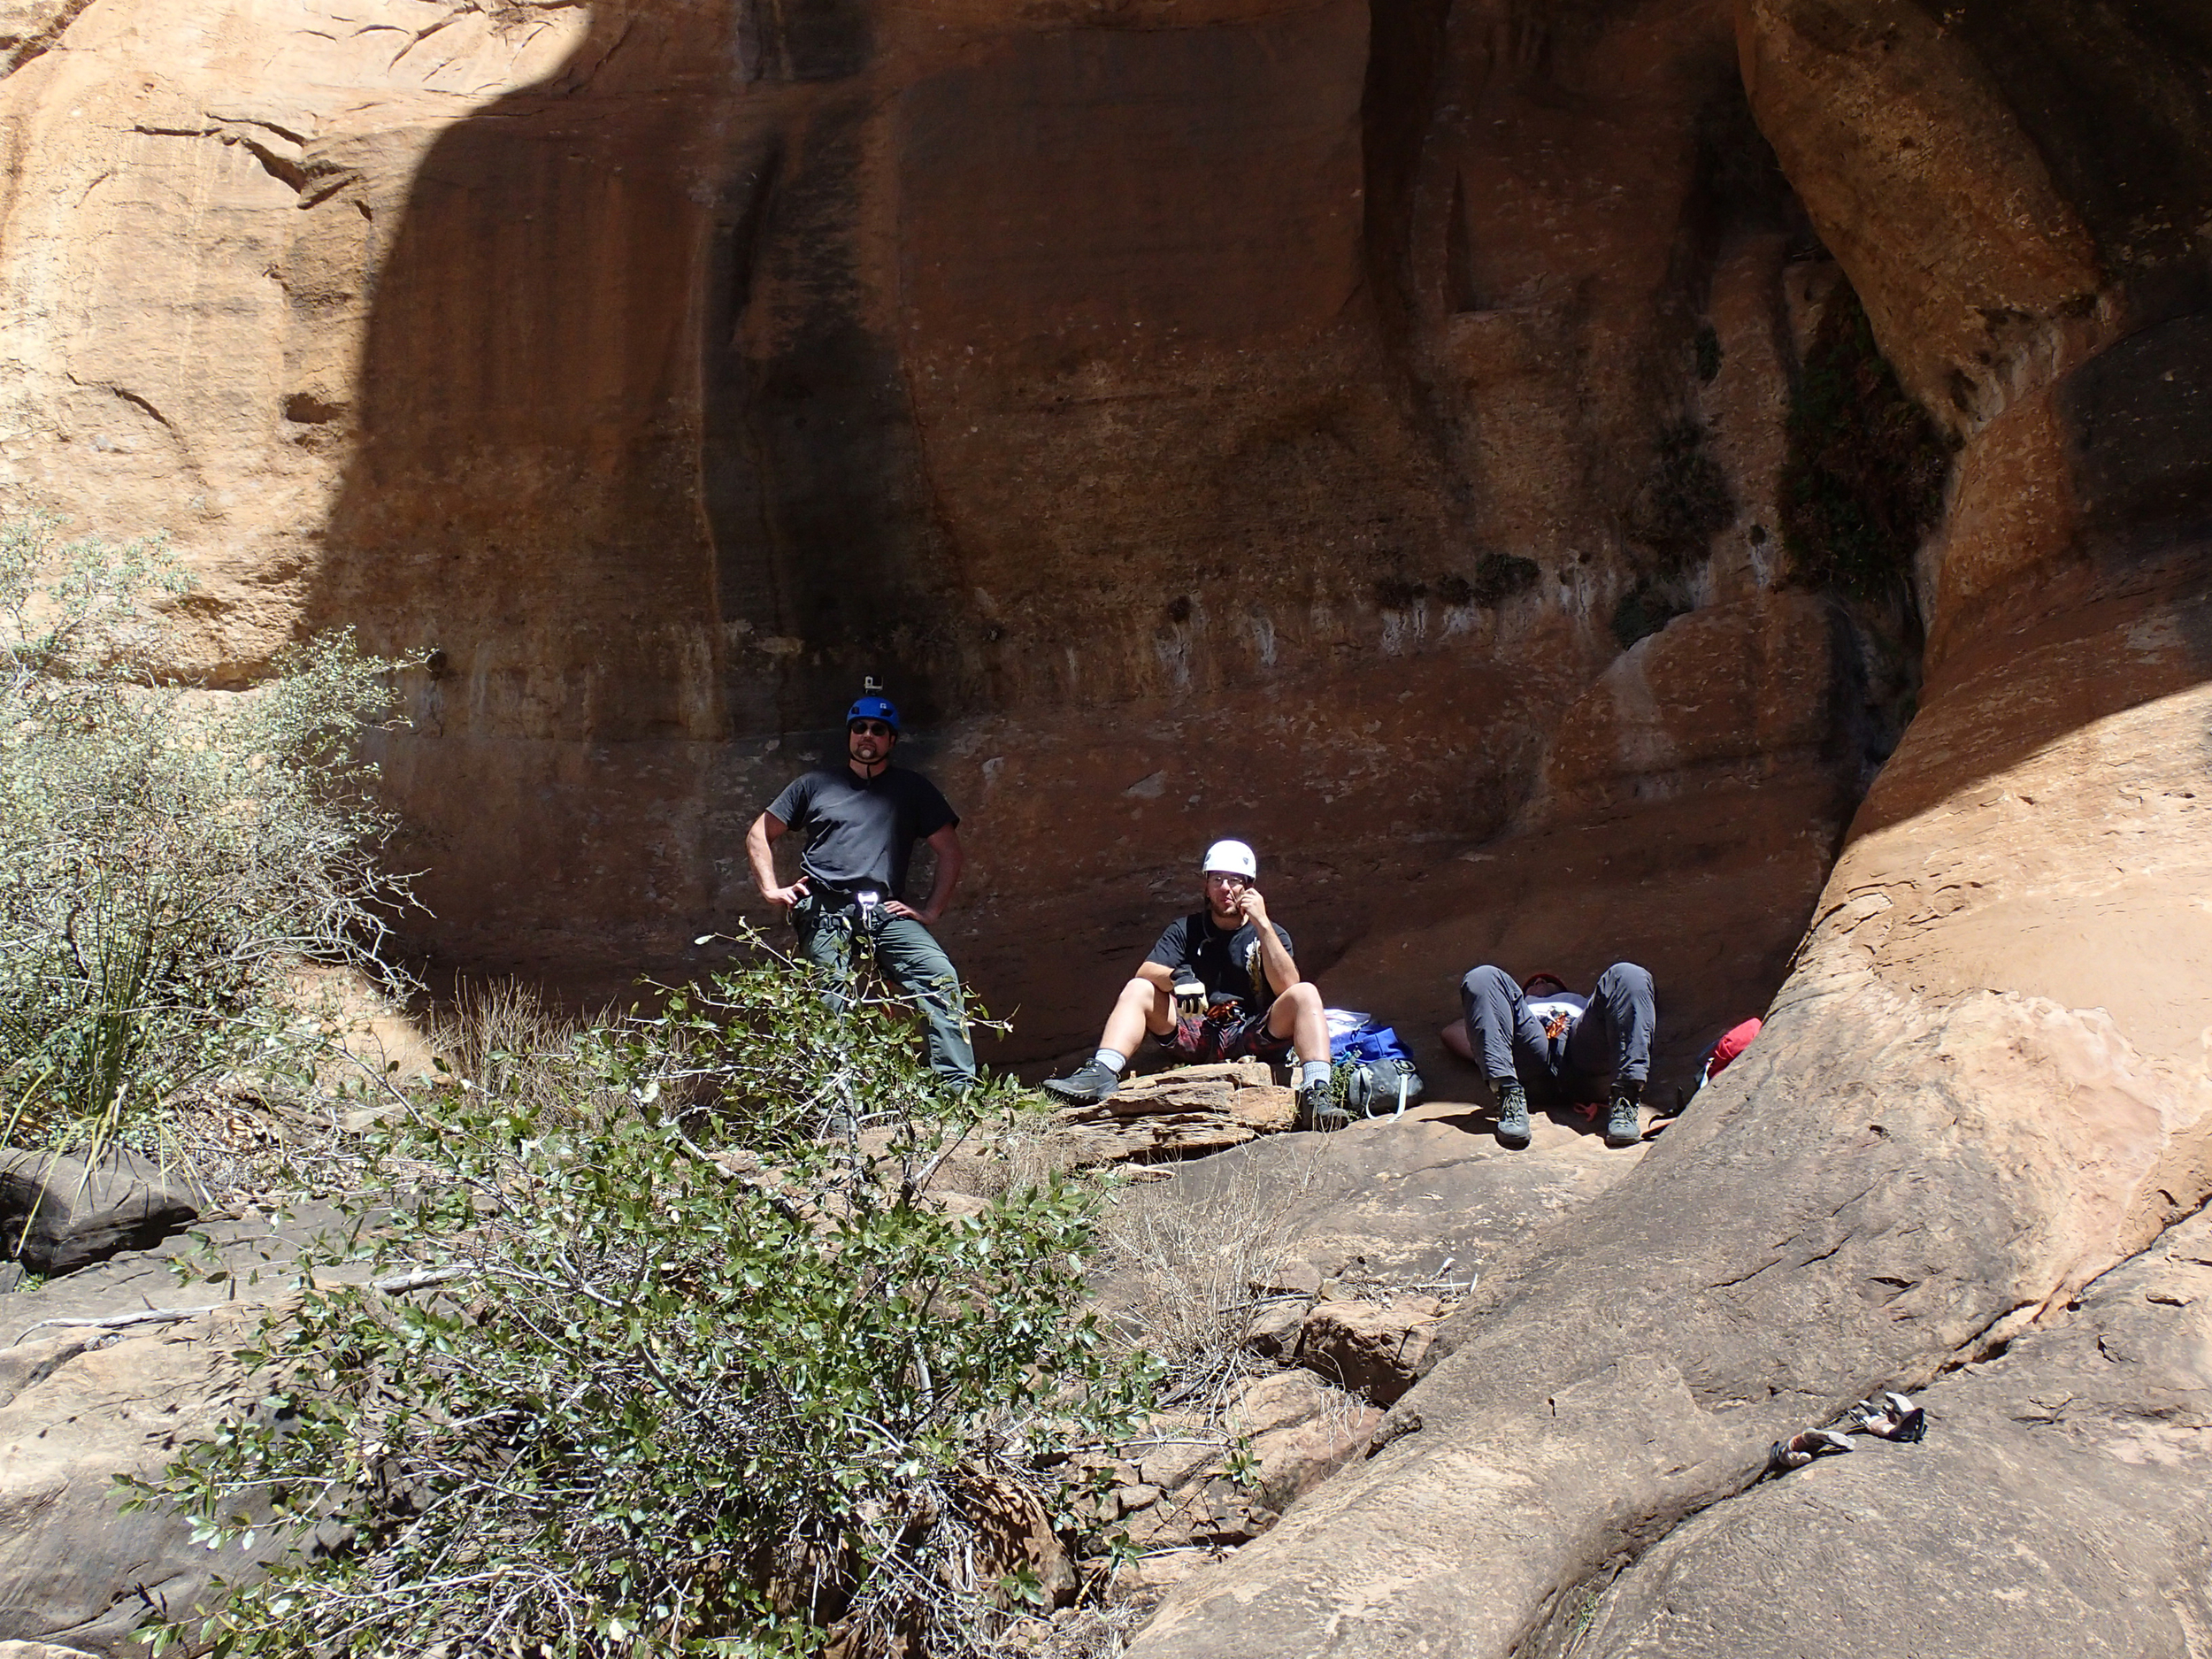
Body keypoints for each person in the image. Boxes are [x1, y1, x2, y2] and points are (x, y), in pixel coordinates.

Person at [744, 692, 976, 1091]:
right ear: (850, 735)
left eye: (878, 730)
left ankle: (957, 1096)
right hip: (824, 907)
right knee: (831, 1003)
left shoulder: (912, 789)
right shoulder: (814, 785)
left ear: (892, 740)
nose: (867, 736)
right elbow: (759, 832)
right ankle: (839, 1116)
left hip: (884, 911)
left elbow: (951, 853)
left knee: (939, 977)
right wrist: (771, 889)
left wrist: (931, 912)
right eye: (859, 728)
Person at [1041, 840, 1340, 1126]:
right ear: (1206, 887)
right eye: (1217, 880)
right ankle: (1102, 1072)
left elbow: (1288, 987)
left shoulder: (1271, 934)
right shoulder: (1186, 929)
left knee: (1306, 994)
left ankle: (1316, 1093)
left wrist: (1262, 924)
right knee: (1138, 989)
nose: (1226, 888)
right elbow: (1145, 971)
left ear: (1249, 887)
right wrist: (1177, 978)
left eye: (1235, 880)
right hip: (1198, 1030)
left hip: (1251, 1030)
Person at [1442, 964, 1655, 1149]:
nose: (1540, 980)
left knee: (1627, 973)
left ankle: (1626, 1097)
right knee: (1483, 975)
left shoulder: (1583, 1003)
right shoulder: (1518, 1007)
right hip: (1531, 1055)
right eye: (1533, 981)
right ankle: (1508, 1095)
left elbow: (1634, 1006)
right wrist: (1492, 1050)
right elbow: (1452, 1032)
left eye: (1549, 980)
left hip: (1582, 1051)